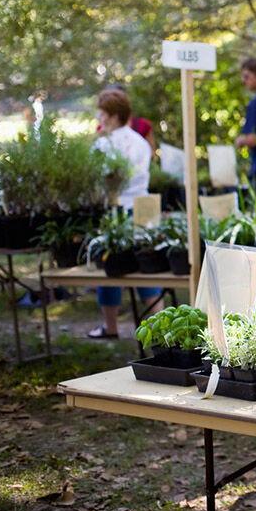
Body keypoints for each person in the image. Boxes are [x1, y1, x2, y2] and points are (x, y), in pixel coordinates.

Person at [89, 88, 162, 339]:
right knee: (146, 267)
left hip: (117, 210)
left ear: (111, 116)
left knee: (111, 267)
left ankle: (110, 326)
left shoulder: (103, 144)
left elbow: (100, 181)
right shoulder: (140, 142)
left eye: (101, 113)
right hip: (144, 208)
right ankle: (159, 326)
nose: (99, 117)